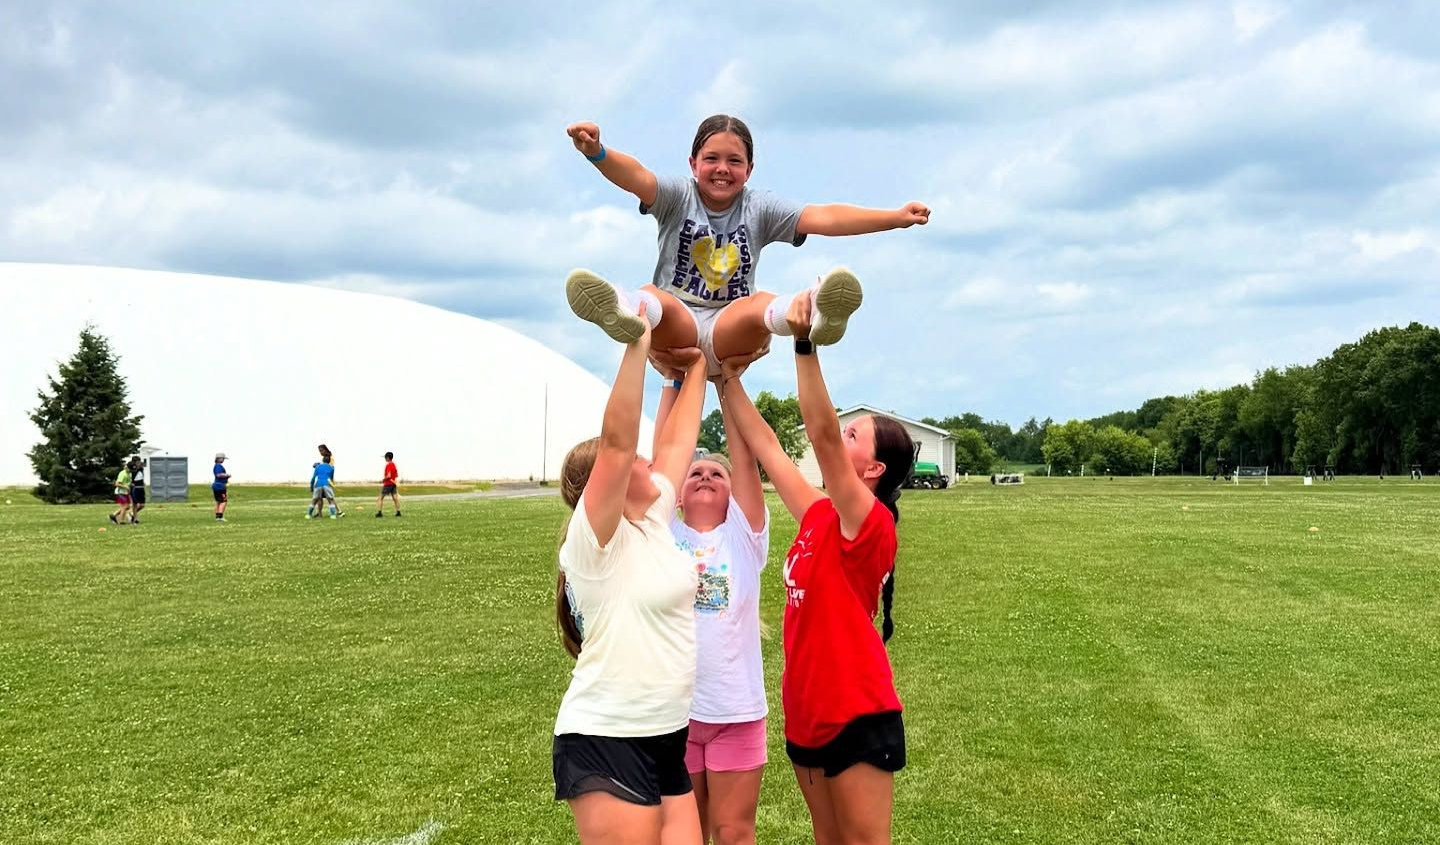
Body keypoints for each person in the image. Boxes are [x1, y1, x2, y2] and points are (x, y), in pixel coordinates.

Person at [718, 289, 915, 845]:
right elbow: (771, 452)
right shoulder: (821, 515)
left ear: (873, 468)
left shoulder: (869, 522)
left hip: (857, 712)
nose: (840, 435)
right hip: (806, 713)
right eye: (847, 429)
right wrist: (725, 378)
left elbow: (822, 432)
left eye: (857, 435)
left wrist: (804, 343)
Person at [564, 115, 929, 373]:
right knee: (655, 296)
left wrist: (894, 217)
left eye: (734, 161)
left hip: (729, 331)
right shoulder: (677, 195)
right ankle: (621, 307)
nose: (722, 168)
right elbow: (636, 176)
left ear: (749, 170)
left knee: (758, 305)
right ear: (693, 164)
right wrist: (597, 152)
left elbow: (825, 217)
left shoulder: (759, 207)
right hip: (677, 333)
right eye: (711, 159)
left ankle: (815, 310)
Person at [551, 303, 710, 844]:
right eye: (633, 461)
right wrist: (637, 341)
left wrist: (700, 367)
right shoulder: (595, 543)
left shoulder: (654, 519)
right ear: (607, 483)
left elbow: (677, 442)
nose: (649, 461)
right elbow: (618, 444)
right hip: (607, 736)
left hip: (667, 734)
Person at [650, 351, 770, 845]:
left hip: (736, 713)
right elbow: (664, 455)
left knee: (732, 831)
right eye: (695, 472)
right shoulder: (665, 531)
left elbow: (745, 458)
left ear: (733, 495)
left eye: (716, 475)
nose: (703, 476)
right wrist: (671, 386)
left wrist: (726, 384)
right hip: (675, 712)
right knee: (685, 832)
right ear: (678, 494)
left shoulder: (745, 538)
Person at [307, 455, 341, 519]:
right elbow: (331, 478)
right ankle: (333, 515)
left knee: (315, 500)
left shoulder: (318, 467)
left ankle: (309, 515)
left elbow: (313, 478)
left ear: (322, 460)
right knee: (330, 500)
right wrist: (332, 486)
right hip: (327, 484)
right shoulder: (332, 468)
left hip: (318, 484)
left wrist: (311, 487)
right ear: (329, 461)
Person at [376, 451, 402, 517]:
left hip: (388, 484)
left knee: (380, 498)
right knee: (395, 498)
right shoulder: (394, 464)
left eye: (385, 457)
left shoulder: (388, 465)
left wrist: (383, 479)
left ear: (388, 458)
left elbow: (388, 475)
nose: (385, 458)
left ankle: (379, 512)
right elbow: (396, 475)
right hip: (393, 483)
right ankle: (398, 512)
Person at [127, 456, 146, 524]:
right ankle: (135, 518)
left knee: (142, 505)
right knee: (135, 504)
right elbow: (129, 470)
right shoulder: (132, 467)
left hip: (141, 487)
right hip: (135, 487)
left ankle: (131, 513)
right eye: (138, 461)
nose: (139, 463)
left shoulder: (140, 468)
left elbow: (144, 466)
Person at [212, 453, 230, 522]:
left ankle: (217, 517)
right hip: (220, 486)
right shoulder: (218, 466)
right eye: (222, 458)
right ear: (219, 459)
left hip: (217, 485)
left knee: (219, 501)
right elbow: (218, 475)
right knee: (223, 501)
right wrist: (227, 475)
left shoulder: (216, 466)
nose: (223, 460)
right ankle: (220, 517)